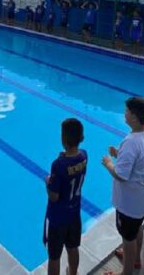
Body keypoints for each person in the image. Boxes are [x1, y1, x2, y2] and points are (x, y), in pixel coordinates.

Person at [102, 97, 144, 275]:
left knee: (128, 238)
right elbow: (140, 161)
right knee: (137, 229)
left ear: (134, 117)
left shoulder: (131, 141)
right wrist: (119, 154)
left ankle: (126, 271)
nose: (124, 114)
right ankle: (135, 260)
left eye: (126, 111)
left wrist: (109, 163)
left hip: (130, 201)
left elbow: (121, 175)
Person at [44, 118, 86, 275]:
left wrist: (48, 182)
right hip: (74, 213)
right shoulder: (83, 156)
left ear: (62, 139)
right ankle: (73, 273)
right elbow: (73, 167)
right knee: (72, 247)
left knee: (54, 256)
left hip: (58, 218)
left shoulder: (58, 165)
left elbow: (54, 196)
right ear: (81, 138)